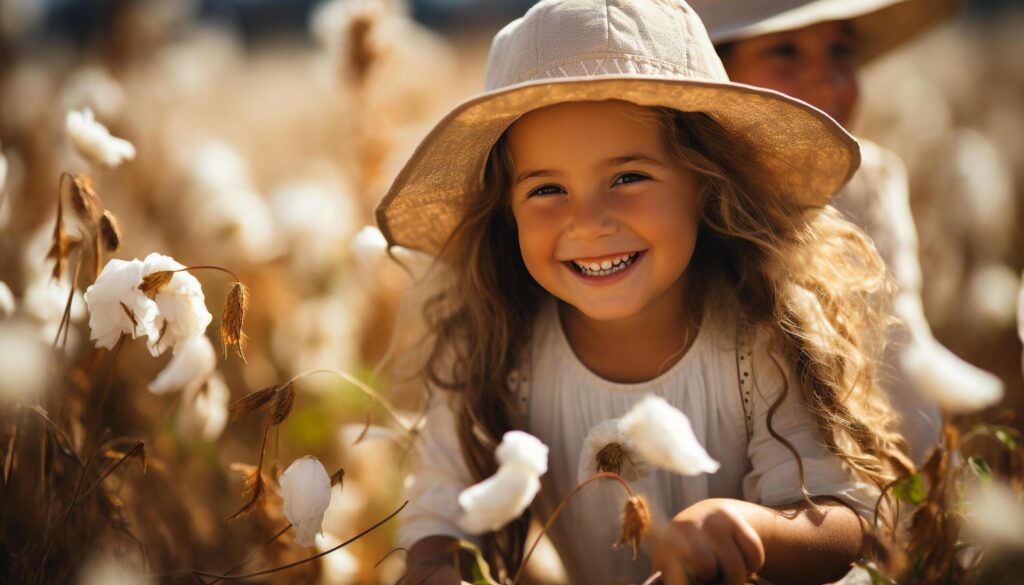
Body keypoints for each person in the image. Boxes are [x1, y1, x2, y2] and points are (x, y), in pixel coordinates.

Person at [377, 1, 908, 584]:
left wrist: (749, 527)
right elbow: (439, 518)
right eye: (547, 189)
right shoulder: (492, 345)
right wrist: (435, 568)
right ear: (507, 212)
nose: (590, 221)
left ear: (708, 183)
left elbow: (846, 523)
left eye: (628, 178)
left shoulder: (764, 328)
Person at [687, 0, 959, 465]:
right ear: (715, 71)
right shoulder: (679, 194)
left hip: (850, 480)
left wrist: (928, 495)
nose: (826, 78)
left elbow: (899, 355)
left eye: (841, 51)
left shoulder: (869, 182)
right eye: (785, 51)